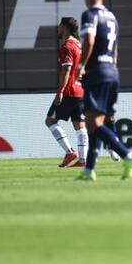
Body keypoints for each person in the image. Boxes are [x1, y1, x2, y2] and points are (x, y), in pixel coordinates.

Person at [75, 0, 132, 182]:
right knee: (99, 122)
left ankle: (128, 156)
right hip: (112, 72)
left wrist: (81, 66)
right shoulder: (112, 17)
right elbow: (115, 50)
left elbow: (90, 41)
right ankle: (89, 170)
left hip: (97, 72)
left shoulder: (89, 15)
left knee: (92, 123)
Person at [45, 17, 87, 169]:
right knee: (80, 126)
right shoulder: (79, 44)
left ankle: (70, 152)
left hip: (69, 91)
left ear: (65, 27)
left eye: (60, 26)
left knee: (50, 121)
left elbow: (67, 70)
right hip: (80, 90)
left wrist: (60, 91)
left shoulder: (67, 46)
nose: (58, 28)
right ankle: (83, 160)